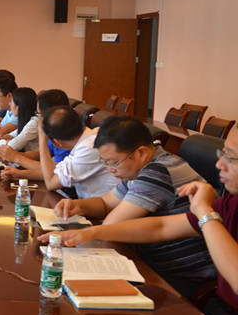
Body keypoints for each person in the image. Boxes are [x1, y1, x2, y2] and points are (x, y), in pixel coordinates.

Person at [41, 128, 238, 315]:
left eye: (230, 157)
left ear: (141, 153)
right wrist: (90, 232)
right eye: (222, 154)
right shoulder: (230, 202)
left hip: (190, 285)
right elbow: (161, 226)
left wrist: (204, 211)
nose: (219, 164)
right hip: (216, 307)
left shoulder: (160, 171)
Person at [50, 115, 214, 296]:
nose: (110, 170)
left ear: (141, 153)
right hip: (152, 263)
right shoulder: (142, 167)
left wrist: (89, 230)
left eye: (114, 162)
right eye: (105, 163)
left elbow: (111, 226)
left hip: (179, 276)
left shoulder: (158, 172)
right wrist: (78, 206)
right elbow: (105, 203)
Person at [35, 105, 119, 198]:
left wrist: (42, 139)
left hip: (105, 205)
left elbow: (51, 183)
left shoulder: (87, 149)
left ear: (58, 142)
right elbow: (55, 172)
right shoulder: (91, 136)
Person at [0, 89, 73, 182]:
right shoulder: (56, 130)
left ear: (49, 114)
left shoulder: (67, 136)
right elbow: (40, 154)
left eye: (38, 113)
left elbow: (54, 170)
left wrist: (17, 158)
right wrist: (16, 157)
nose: (38, 117)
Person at [0, 87, 40, 154]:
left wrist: (1, 141)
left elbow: (13, 145)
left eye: (11, 102)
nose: (9, 104)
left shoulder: (34, 123)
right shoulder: (26, 119)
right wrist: (2, 137)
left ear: (19, 106)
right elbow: (14, 134)